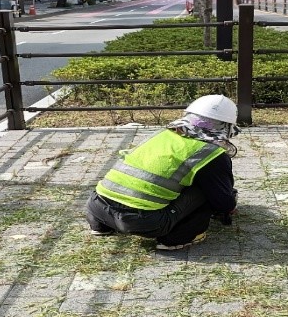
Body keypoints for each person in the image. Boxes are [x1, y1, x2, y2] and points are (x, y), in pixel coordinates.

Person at [85, 94, 239, 250]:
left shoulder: (163, 134)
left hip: (97, 206)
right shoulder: (210, 153)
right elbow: (224, 203)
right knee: (207, 191)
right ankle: (177, 237)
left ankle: (101, 226)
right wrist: (228, 201)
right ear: (226, 127)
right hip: (144, 221)